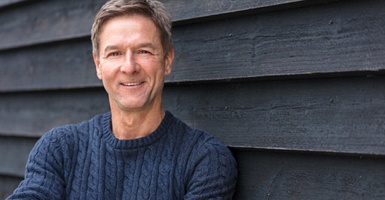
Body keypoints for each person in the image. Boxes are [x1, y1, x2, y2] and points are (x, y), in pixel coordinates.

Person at [8, 0, 237, 199]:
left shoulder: (204, 160)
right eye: (115, 53)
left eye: (144, 51)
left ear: (167, 60)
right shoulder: (59, 149)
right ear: (98, 65)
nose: (129, 67)